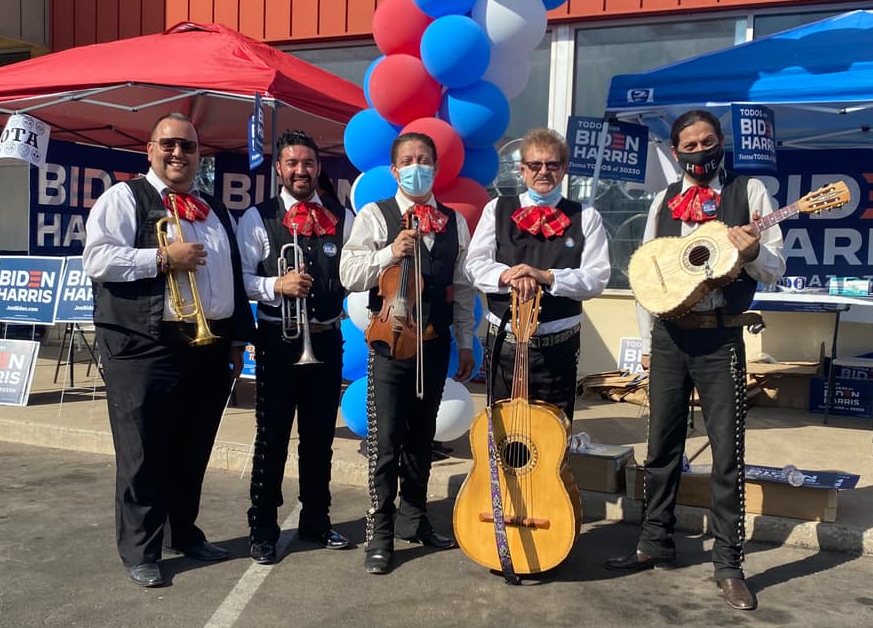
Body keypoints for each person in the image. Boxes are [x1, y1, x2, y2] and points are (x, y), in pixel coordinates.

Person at [605, 109, 785, 612]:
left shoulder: (748, 195)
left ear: (721, 143)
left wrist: (750, 255)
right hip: (668, 339)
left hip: (720, 338)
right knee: (660, 445)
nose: (700, 152)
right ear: (674, 150)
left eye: (708, 141)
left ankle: (729, 563)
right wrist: (644, 345)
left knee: (727, 453)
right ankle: (653, 540)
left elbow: (776, 266)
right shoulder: (662, 201)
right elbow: (647, 278)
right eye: (690, 144)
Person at [83, 112, 255, 588]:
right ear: (151, 149)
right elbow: (96, 259)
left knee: (192, 447)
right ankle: (141, 549)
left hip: (207, 344)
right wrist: (161, 257)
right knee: (143, 453)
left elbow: (231, 281)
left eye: (189, 147)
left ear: (200, 156)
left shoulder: (213, 208)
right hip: (143, 345)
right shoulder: (124, 198)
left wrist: (237, 338)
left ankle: (185, 532)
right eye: (169, 145)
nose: (178, 153)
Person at [340, 132, 477, 575]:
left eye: (424, 160)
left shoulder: (454, 222)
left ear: (435, 169)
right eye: (407, 160)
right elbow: (348, 271)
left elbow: (463, 288)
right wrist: (387, 253)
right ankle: (378, 534)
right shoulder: (375, 215)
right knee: (385, 443)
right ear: (395, 170)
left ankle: (414, 520)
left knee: (422, 439)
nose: (416, 166)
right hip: (390, 344)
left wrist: (464, 339)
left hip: (434, 343)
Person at [236, 130, 352, 565]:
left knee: (319, 438)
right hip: (278, 341)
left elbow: (355, 269)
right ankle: (262, 529)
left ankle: (316, 521)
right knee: (272, 438)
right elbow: (241, 277)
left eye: (307, 163)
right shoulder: (257, 217)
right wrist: (275, 285)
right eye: (291, 164)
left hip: (325, 337)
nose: (300, 171)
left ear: (318, 168)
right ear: (279, 169)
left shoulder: (342, 218)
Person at [465, 127, 610, 420]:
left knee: (554, 435)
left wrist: (547, 276)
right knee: (504, 434)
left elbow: (597, 277)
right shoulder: (497, 209)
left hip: (559, 347)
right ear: (522, 170)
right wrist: (508, 276)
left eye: (552, 165)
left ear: (564, 169)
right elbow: (474, 264)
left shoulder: (587, 217)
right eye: (535, 165)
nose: (543, 172)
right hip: (505, 345)